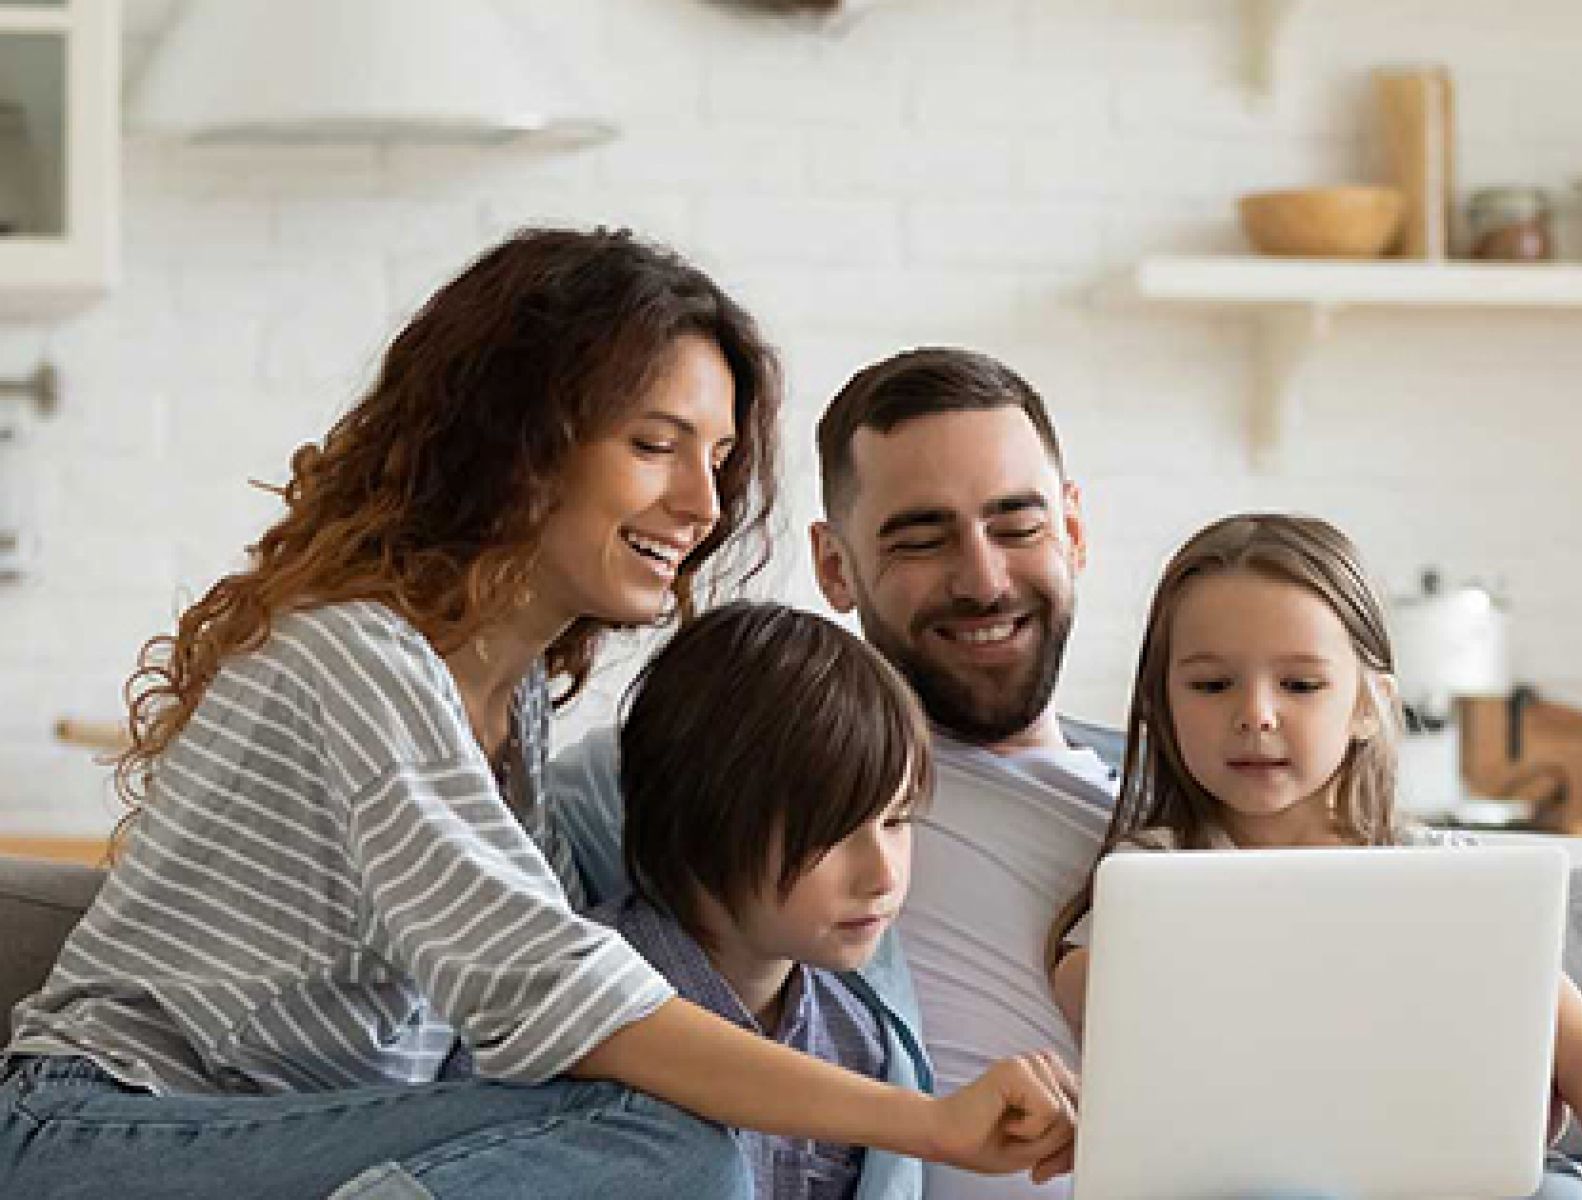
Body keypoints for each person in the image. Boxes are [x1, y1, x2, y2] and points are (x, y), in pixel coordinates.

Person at [0, 231, 1078, 1200]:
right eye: (656, 446)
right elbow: (551, 987)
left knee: (660, 1144)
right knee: (671, 1153)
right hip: (103, 1132)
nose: (702, 507)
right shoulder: (353, 656)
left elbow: (624, 887)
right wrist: (930, 1123)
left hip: (294, 1140)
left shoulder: (511, 704)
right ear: (519, 441)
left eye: (715, 459)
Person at [552, 346, 1120, 1200]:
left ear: (1073, 530)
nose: (983, 578)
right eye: (921, 539)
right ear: (834, 567)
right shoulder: (718, 759)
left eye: (1018, 526)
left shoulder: (1171, 790)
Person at [1048, 512, 1582, 1194]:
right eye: (1211, 685)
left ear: (1370, 705)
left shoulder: (1444, 874)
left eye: (1301, 685)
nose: (1256, 714)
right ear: (1163, 707)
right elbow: (1083, 990)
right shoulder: (1153, 874)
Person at [592, 599, 936, 1199]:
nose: (884, 875)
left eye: (898, 821)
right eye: (832, 834)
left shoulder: (858, 1040)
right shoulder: (578, 1003)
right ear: (703, 821)